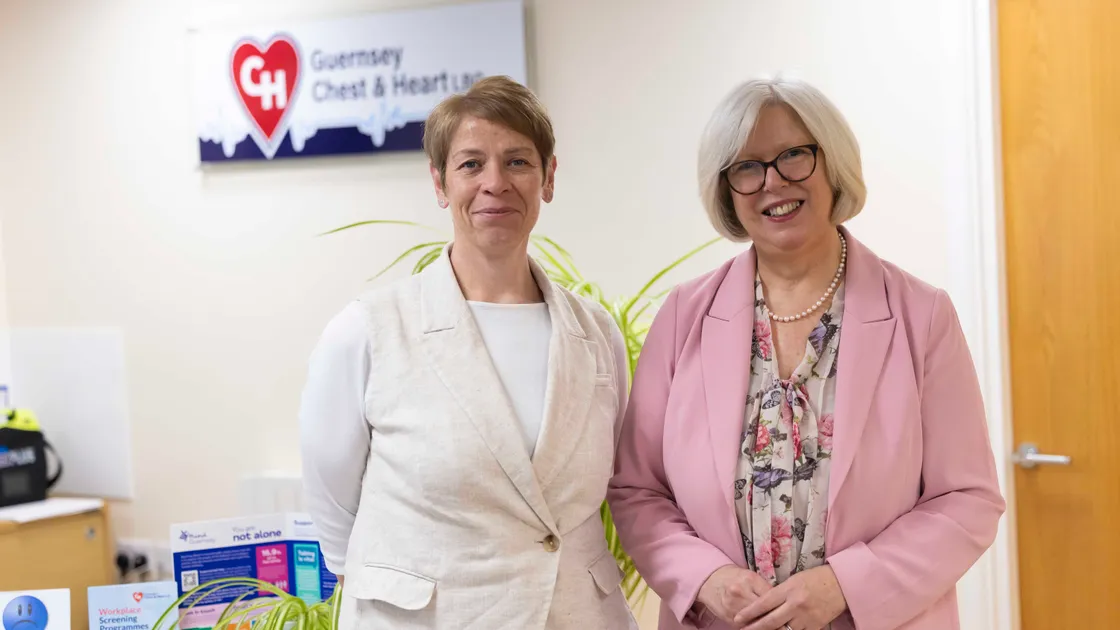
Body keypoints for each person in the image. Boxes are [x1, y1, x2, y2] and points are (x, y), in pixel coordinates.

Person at [607, 77, 1005, 630]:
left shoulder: (922, 315)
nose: (773, 182)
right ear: (726, 189)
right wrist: (705, 578)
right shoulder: (683, 317)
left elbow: (967, 500)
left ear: (832, 162)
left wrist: (846, 586)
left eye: (793, 155)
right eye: (747, 166)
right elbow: (637, 489)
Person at [298, 76, 636, 629]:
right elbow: (333, 505)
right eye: (471, 164)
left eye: (518, 162)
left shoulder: (598, 335)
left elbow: (618, 483)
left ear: (549, 177)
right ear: (439, 182)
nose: (495, 183)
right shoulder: (367, 331)